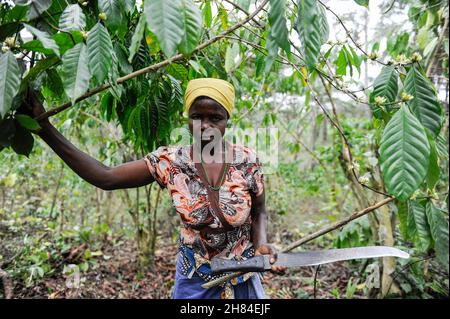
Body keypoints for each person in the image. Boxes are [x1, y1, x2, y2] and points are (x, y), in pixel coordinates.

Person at [23, 78, 284, 299]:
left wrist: (261, 245)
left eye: (215, 117)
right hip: (196, 279)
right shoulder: (170, 162)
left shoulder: (247, 161)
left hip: (243, 276)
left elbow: (259, 211)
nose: (205, 126)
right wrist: (45, 130)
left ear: (227, 119)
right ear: (187, 120)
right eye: (197, 117)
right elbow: (105, 177)